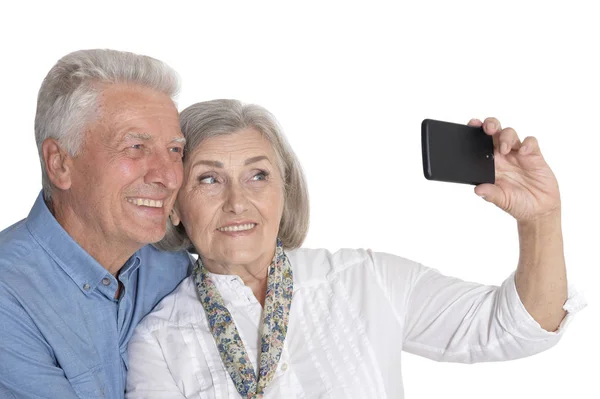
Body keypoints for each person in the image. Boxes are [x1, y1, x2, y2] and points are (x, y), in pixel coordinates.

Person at [126, 99, 585, 398]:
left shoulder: (364, 280)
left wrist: (539, 219)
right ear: (175, 206)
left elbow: (521, 326)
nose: (237, 202)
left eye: (258, 175)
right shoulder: (158, 341)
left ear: (285, 190)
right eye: (209, 179)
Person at [0, 49, 192, 398]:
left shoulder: (174, 268)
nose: (167, 176)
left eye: (175, 151)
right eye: (135, 147)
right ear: (60, 163)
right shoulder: (7, 296)